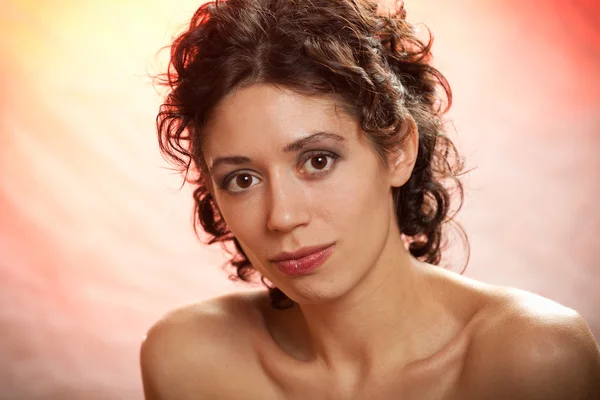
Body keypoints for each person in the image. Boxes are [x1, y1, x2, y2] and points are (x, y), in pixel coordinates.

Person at [140, 0, 600, 398]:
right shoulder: (188, 360)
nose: (281, 217)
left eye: (317, 161)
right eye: (242, 179)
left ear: (398, 150)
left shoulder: (531, 357)